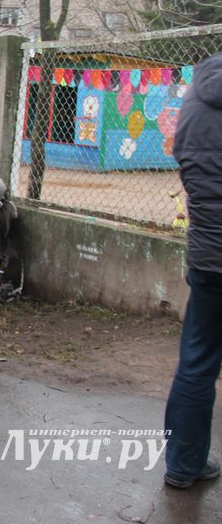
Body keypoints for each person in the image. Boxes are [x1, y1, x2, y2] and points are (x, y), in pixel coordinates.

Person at [164, 51, 222, 489]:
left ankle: (183, 466)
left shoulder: (196, 96)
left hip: (210, 253)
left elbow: (185, 159)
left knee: (197, 362)